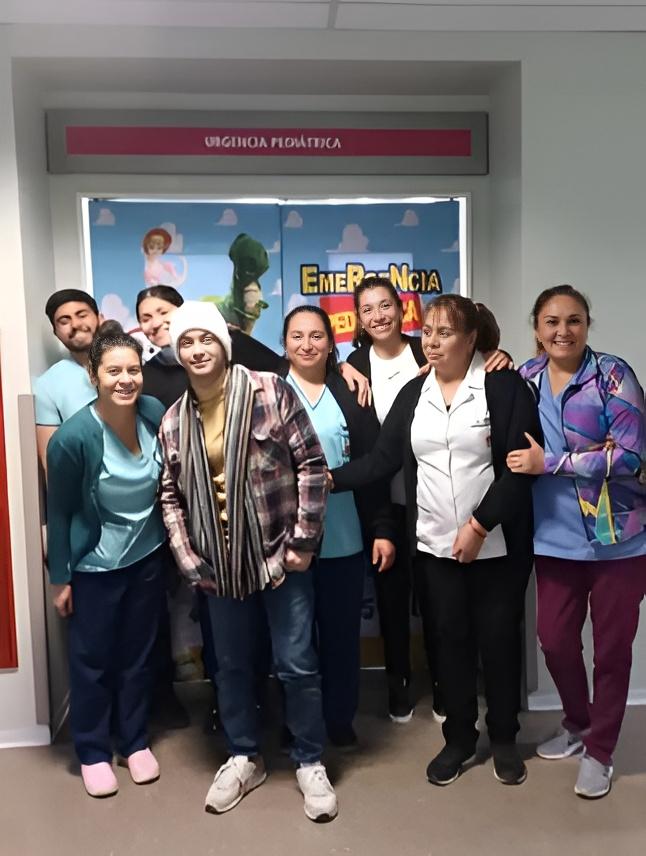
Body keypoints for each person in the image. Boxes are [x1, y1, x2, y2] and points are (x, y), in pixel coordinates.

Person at [331, 295, 541, 787]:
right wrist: (328, 479)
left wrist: (479, 526)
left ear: (471, 339)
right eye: (427, 331)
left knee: (498, 642)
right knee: (449, 643)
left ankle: (503, 738)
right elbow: (382, 460)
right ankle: (460, 739)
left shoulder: (503, 386)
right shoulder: (414, 392)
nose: (432, 341)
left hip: (495, 546)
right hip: (433, 547)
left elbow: (519, 469)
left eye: (445, 333)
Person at [159, 301, 338, 822]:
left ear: (223, 344)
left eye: (205, 339)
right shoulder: (174, 420)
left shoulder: (270, 390)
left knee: (297, 664)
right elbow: (170, 496)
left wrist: (303, 542)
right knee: (232, 667)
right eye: (186, 342)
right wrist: (188, 559)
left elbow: (311, 464)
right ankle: (244, 756)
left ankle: (309, 759)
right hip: (218, 567)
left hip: (281, 557)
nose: (197, 350)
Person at [346, 276, 511, 723]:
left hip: (464, 517)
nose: (378, 315)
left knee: (461, 620)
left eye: (385, 305)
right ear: (358, 318)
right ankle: (409, 691)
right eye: (367, 309)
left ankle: (459, 700)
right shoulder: (359, 367)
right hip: (397, 511)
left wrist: (495, 356)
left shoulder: (440, 358)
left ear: (402, 309)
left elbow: (478, 363)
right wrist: (328, 480)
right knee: (410, 609)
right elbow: (379, 457)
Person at [507, 284, 646, 800]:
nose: (562, 331)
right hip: (553, 538)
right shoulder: (524, 378)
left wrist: (552, 463)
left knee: (611, 652)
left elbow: (632, 455)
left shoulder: (613, 376)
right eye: (551, 321)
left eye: (573, 321)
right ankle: (580, 723)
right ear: (536, 328)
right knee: (555, 641)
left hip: (619, 541)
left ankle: (601, 751)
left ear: (587, 325)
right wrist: (597, 455)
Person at [46, 323, 168, 798]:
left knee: (137, 658)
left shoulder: (153, 412)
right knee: (92, 661)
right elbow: (60, 511)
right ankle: (94, 751)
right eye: (114, 371)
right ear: (94, 375)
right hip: (95, 567)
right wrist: (62, 578)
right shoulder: (73, 438)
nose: (125, 380)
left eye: (133, 370)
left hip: (147, 558)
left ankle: (134, 742)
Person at [282, 305, 396, 748]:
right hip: (287, 543)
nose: (306, 344)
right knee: (293, 642)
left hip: (343, 538)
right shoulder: (270, 391)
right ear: (284, 343)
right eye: (296, 336)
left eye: (316, 336)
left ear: (331, 343)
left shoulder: (350, 392)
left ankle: (338, 718)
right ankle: (296, 721)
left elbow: (374, 465)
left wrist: (382, 528)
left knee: (341, 637)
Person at [137, 284, 372, 410]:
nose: (156, 323)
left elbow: (288, 368)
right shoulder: (147, 374)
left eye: (163, 312)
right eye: (146, 318)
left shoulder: (232, 343)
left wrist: (338, 367)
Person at [34, 289, 102, 472]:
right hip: (86, 484)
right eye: (64, 321)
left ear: (99, 318)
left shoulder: (134, 366)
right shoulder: (47, 385)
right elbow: (52, 462)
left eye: (82, 315)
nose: (75, 324)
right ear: (56, 332)